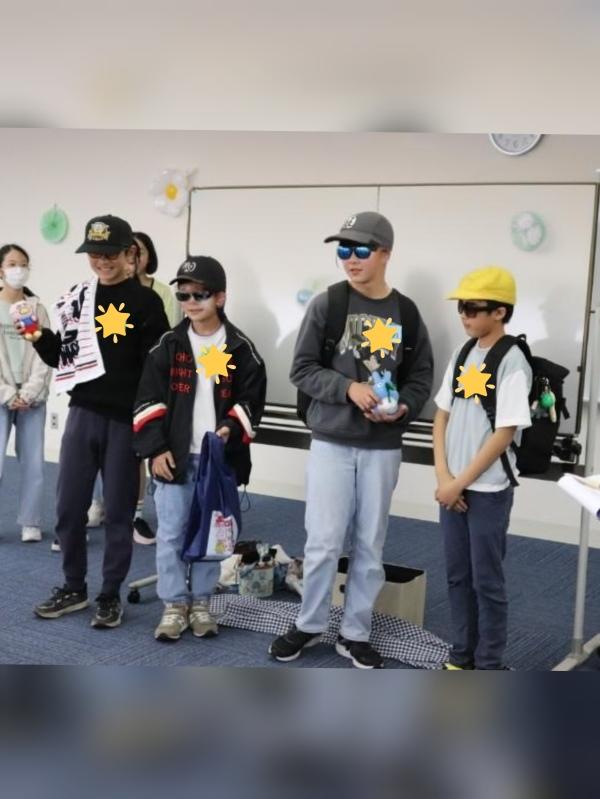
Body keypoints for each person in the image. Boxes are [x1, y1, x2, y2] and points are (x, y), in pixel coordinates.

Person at [269, 211, 433, 668]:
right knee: (323, 541)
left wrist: (404, 407)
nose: (351, 258)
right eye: (343, 249)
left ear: (386, 254)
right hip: (332, 441)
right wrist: (348, 388)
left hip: (382, 446)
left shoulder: (406, 312)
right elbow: (301, 369)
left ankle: (355, 633)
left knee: (370, 544)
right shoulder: (329, 304)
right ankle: (309, 624)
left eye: (361, 249)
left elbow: (421, 376)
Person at [21, 214, 169, 628]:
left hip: (124, 421)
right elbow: (62, 356)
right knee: (69, 508)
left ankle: (109, 595)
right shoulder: (78, 297)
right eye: (93, 254)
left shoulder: (147, 303)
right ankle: (73, 587)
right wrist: (37, 335)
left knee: (119, 513)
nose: (101, 261)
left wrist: (150, 425)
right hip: (82, 414)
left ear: (128, 253)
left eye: (109, 253)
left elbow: (156, 369)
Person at [133, 255, 266, 642]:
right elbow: (147, 400)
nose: (190, 302)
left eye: (200, 294)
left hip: (217, 462)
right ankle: (175, 605)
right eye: (184, 295)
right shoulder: (168, 345)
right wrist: (156, 449)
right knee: (171, 534)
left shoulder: (239, 348)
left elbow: (251, 399)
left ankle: (202, 602)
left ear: (220, 297)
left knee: (212, 534)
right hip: (173, 458)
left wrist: (230, 427)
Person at [432, 266, 532, 670]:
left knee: (486, 580)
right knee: (457, 576)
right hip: (453, 488)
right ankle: (461, 656)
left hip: (487, 490)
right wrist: (444, 478)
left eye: (473, 308)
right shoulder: (462, 353)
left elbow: (504, 433)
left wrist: (459, 482)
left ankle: (489, 664)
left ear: (500, 312)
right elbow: (441, 416)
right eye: (461, 307)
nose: (464, 316)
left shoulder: (513, 361)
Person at [86, 231, 179, 545]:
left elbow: (166, 341)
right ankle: (97, 503)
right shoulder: (96, 291)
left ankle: (135, 513)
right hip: (100, 391)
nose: (132, 257)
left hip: (141, 391)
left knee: (133, 456)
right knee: (92, 453)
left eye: (139, 251)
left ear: (146, 257)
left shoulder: (159, 294)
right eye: (127, 251)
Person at [0, 244, 52, 542]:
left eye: (23, 263)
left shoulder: (36, 309)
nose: (18, 269)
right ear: (1, 270)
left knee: (33, 463)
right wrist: (7, 393)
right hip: (1, 395)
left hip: (32, 397)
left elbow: (46, 354)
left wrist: (30, 392)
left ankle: (30, 521)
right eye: (12, 264)